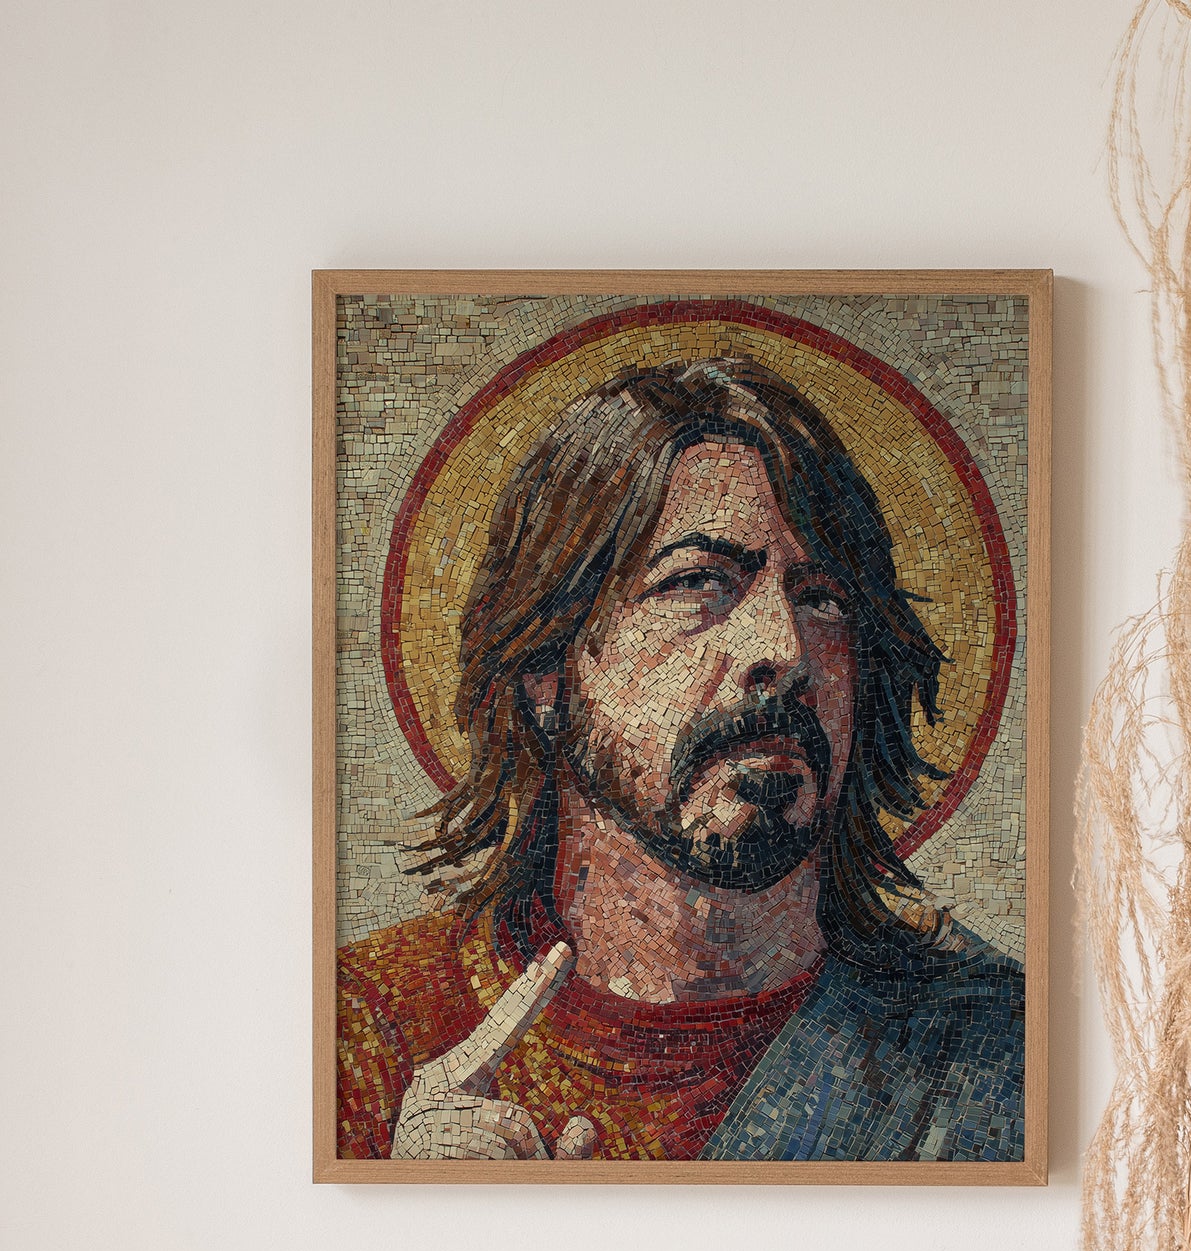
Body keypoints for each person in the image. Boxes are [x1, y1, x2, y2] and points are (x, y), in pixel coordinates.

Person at [336, 357, 1024, 1162]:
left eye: (823, 598)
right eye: (699, 581)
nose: (782, 648)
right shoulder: (370, 1028)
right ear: (546, 666)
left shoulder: (990, 1044)